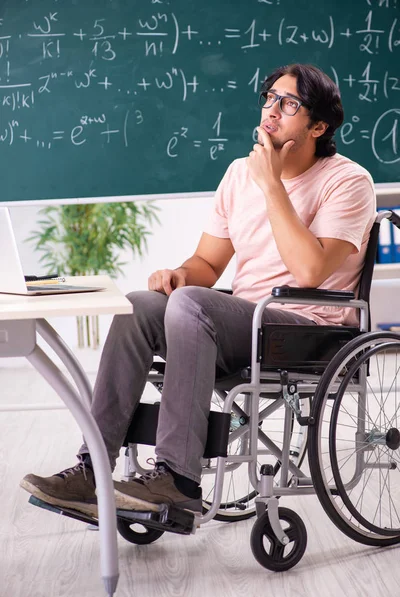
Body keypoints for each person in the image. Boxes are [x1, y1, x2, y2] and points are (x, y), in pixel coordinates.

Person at [20, 63, 376, 518]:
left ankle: (178, 479)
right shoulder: (237, 174)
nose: (272, 110)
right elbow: (207, 264)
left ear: (319, 125)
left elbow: (308, 271)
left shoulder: (348, 181)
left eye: (289, 104)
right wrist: (180, 276)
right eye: (269, 97)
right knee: (139, 307)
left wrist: (272, 184)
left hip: (308, 330)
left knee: (191, 307)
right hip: (243, 323)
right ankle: (93, 471)